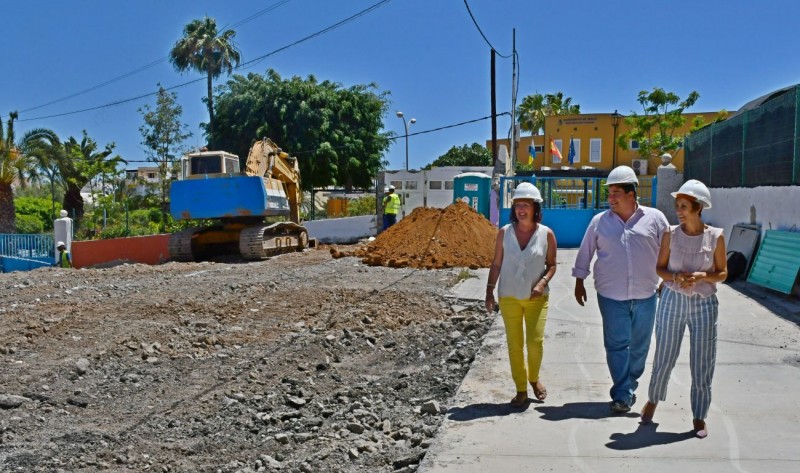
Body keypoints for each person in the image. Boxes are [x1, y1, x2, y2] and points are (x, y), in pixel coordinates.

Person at [572, 165, 669, 414]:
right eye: (609, 193)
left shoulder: (655, 219)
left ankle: (629, 384)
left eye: (616, 192)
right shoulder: (599, 222)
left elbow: (669, 251)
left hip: (646, 294)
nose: (611, 198)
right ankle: (623, 393)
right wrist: (579, 280)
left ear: (631, 193)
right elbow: (585, 252)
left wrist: (667, 280)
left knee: (640, 346)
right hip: (610, 295)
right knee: (616, 345)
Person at [640, 179, 727, 439]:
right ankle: (653, 400)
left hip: (704, 303)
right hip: (672, 298)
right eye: (677, 205)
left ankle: (699, 416)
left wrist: (702, 276)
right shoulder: (670, 234)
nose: (678, 210)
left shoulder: (716, 236)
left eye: (684, 206)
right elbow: (660, 268)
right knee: (664, 354)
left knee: (703, 359)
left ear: (698, 208)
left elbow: (722, 273)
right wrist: (675, 277)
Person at [485, 182, 557, 407]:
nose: (521, 209)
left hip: (537, 299)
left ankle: (533, 379)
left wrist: (542, 283)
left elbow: (552, 265)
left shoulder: (546, 234)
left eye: (526, 204)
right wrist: (489, 291)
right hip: (509, 296)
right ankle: (521, 389)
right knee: (514, 345)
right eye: (517, 205)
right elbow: (496, 264)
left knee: (535, 343)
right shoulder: (504, 233)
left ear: (536, 207)